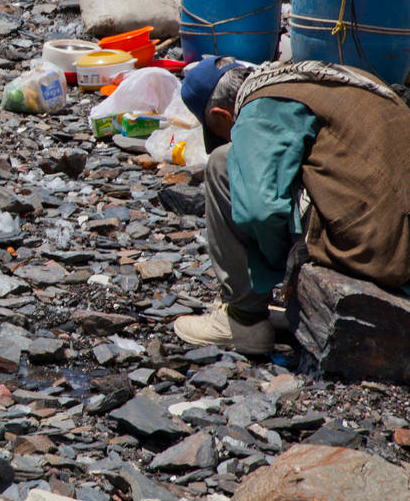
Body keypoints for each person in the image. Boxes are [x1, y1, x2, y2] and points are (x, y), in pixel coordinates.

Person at [173, 56, 410, 355]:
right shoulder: (317, 75)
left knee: (223, 163)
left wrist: (276, 267)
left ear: (221, 115)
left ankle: (244, 320)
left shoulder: (260, 107)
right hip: (395, 223)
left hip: (384, 248)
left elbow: (260, 211)